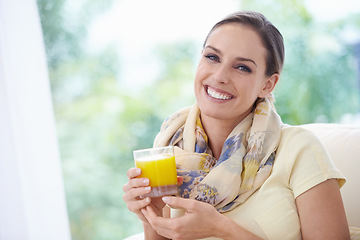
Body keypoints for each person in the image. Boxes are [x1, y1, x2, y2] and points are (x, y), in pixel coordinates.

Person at [122, 11, 351, 239]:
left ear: (267, 84)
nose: (220, 76)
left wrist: (221, 228)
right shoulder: (170, 146)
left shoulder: (299, 149)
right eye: (212, 57)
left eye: (242, 67)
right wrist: (151, 216)